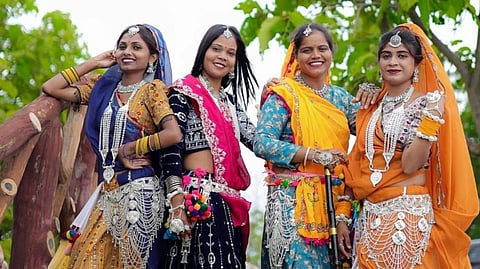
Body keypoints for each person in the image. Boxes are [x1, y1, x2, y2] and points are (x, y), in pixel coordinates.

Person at [42, 24, 182, 269]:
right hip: (106, 193)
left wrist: (129, 149)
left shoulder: (153, 90)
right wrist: (93, 62)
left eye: (137, 47)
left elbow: (173, 133)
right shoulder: (102, 89)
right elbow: (51, 88)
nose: (127, 51)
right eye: (123, 46)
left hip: (139, 195)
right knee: (83, 262)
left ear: (152, 57)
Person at [347, 22, 479, 269]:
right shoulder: (371, 105)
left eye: (402, 56)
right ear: (378, 63)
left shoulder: (425, 105)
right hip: (371, 218)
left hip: (408, 218)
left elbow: (410, 164)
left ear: (417, 64)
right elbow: (356, 160)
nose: (393, 62)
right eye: (386, 56)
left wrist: (430, 121)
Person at [253, 22, 363, 268]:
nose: (316, 56)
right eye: (307, 50)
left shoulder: (342, 98)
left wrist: (374, 94)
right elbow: (262, 143)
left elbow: (371, 135)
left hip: (335, 202)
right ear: (296, 56)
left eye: (322, 49)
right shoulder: (283, 94)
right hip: (291, 203)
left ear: (331, 53)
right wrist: (314, 155)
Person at [160, 24, 258, 268]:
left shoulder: (230, 103)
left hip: (225, 203)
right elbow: (170, 149)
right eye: (216, 49)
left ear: (236, 61)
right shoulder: (183, 93)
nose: (222, 57)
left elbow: (257, 141)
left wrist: (277, 96)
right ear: (204, 51)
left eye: (230, 53)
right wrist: (176, 201)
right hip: (195, 196)